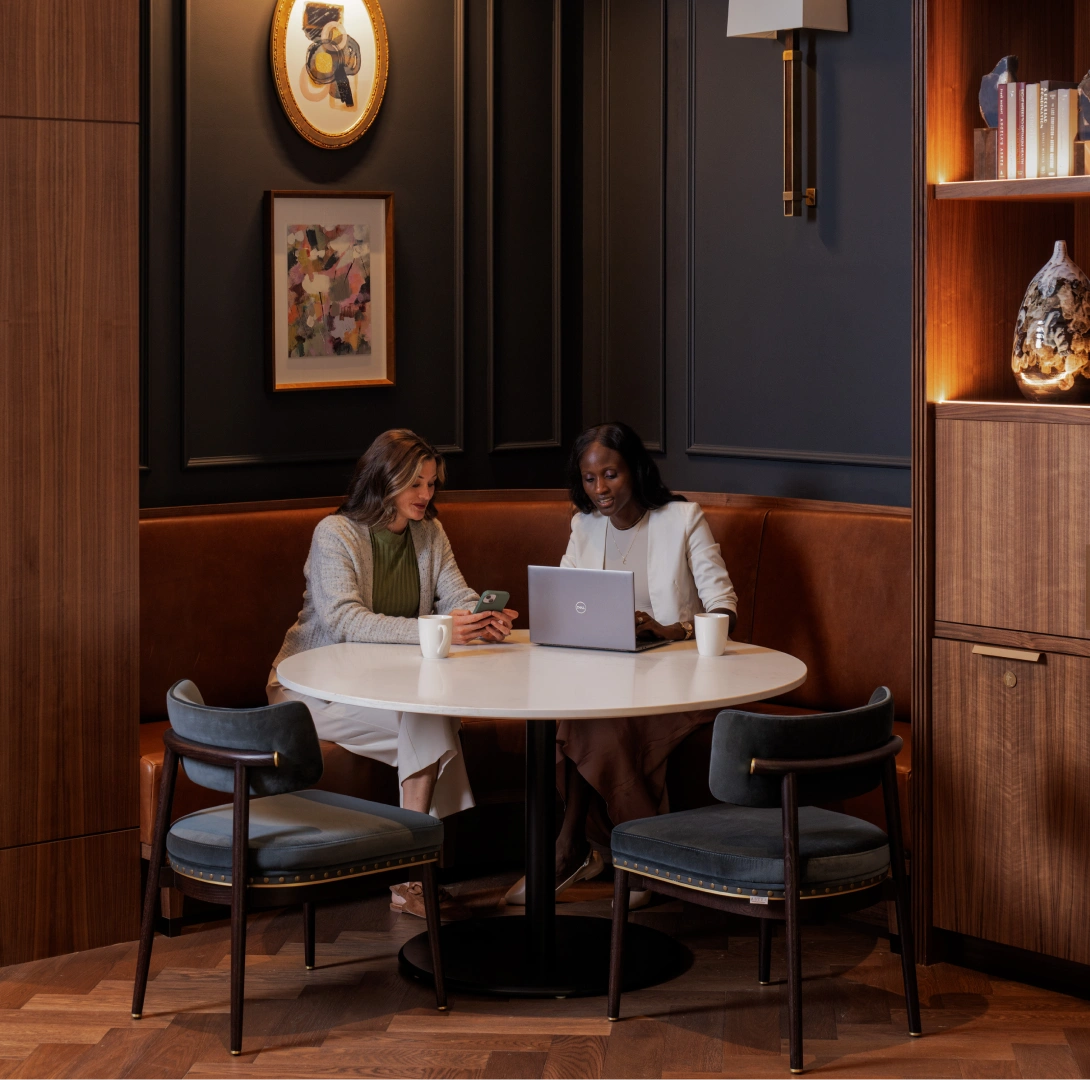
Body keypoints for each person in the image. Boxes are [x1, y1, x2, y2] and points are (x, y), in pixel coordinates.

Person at [268, 429, 517, 917]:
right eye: (415, 485)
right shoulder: (335, 533)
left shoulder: (430, 533)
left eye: (431, 484)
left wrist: (481, 618)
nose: (426, 496)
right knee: (431, 725)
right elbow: (345, 620)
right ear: (382, 481)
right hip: (308, 693)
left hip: (387, 689)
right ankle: (418, 874)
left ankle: (411, 878)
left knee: (429, 718)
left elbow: (456, 594)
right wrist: (439, 627)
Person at [506, 422, 737, 908]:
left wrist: (671, 630)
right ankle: (617, 854)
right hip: (605, 679)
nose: (600, 490)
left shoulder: (682, 518)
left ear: (635, 469)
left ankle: (589, 851)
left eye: (610, 474)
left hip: (682, 681)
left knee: (592, 727)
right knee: (571, 716)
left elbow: (724, 605)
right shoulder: (583, 525)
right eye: (589, 480)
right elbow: (565, 598)